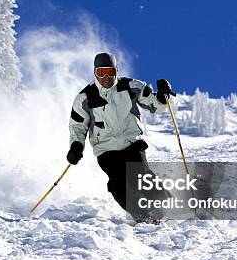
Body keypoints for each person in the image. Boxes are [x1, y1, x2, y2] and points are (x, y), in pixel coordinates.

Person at [66, 52, 175, 221]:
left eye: (110, 72)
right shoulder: (85, 97)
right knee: (118, 185)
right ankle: (142, 215)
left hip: (131, 142)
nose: (106, 77)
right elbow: (78, 126)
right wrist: (76, 146)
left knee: (141, 176)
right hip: (106, 149)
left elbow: (154, 104)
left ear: (116, 71)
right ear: (95, 73)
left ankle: (163, 205)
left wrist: (162, 96)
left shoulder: (131, 86)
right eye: (101, 73)